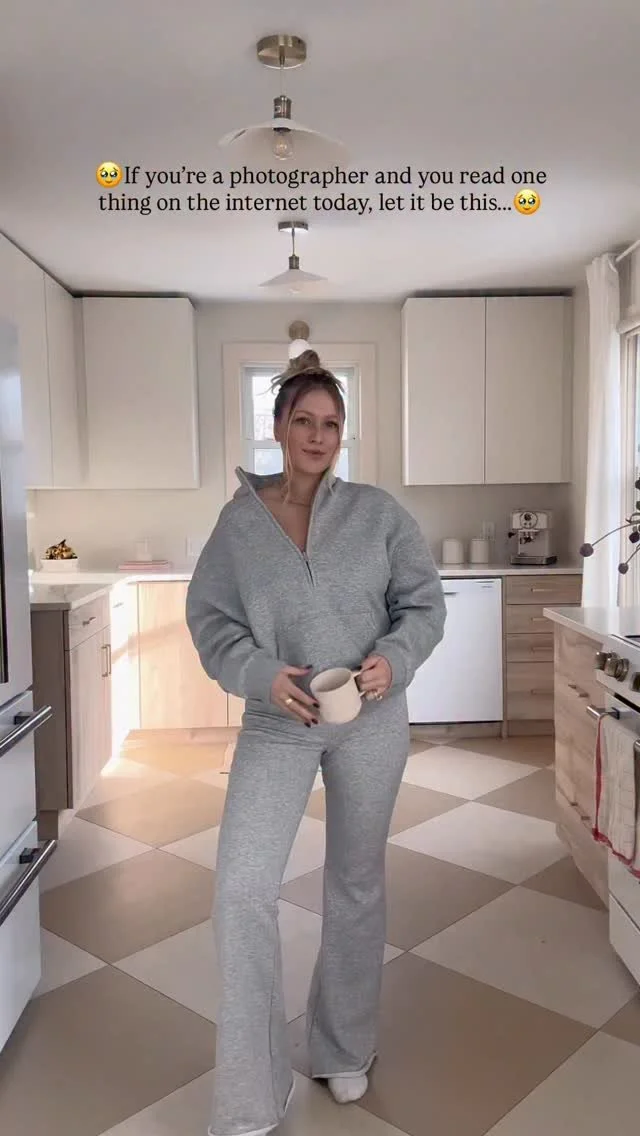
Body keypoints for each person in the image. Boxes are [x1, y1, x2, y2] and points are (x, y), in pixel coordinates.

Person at [186, 350, 446, 1136]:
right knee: (240, 892)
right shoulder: (238, 526)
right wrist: (260, 674)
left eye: (331, 423)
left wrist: (394, 659)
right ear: (277, 427)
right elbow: (211, 623)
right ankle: (251, 1095)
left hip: (371, 717)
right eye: (304, 420)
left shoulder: (378, 513)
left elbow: (424, 604)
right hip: (277, 723)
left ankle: (344, 1047)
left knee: (355, 884)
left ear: (342, 433)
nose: (318, 435)